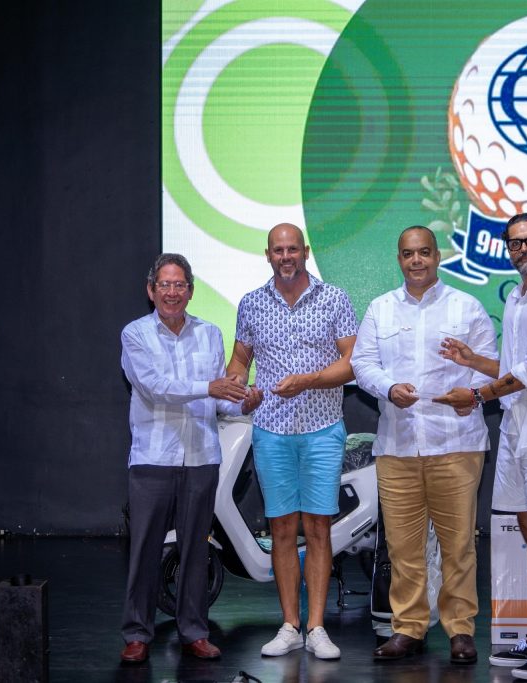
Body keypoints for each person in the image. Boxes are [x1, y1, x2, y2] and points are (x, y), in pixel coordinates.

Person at [433, 213, 527, 680]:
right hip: (518, 426)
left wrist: (477, 395)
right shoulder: (517, 297)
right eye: (515, 244)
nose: (523, 250)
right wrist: (473, 360)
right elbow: (514, 366)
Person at [351, 226, 497, 664]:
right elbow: (362, 362)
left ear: (437, 256)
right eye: (408, 254)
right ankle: (408, 628)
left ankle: (460, 629)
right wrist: (388, 387)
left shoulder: (466, 306)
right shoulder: (380, 308)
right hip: (398, 445)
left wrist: (472, 394)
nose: (416, 261)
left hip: (456, 442)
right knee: (403, 547)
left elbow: (490, 365)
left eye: (424, 253)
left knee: (459, 545)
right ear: (399, 259)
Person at [119, 253, 262, 664]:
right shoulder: (135, 334)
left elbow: (218, 402)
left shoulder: (210, 333)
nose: (172, 292)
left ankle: (194, 632)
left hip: (201, 456)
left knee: (197, 550)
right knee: (145, 549)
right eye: (164, 285)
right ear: (151, 291)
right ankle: (137, 634)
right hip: (153, 456)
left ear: (191, 291)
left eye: (179, 285)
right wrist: (210, 388)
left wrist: (244, 401)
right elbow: (155, 387)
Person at [226, 223, 357, 661]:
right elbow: (240, 360)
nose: (286, 257)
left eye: (293, 249)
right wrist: (240, 388)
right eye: (278, 250)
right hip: (271, 431)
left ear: (306, 251)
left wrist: (309, 381)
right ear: (268, 255)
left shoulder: (334, 298)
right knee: (281, 529)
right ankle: (290, 626)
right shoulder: (251, 303)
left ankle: (317, 627)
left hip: (323, 428)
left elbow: (353, 363)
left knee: (318, 528)